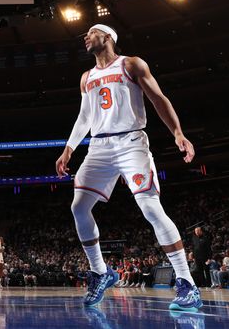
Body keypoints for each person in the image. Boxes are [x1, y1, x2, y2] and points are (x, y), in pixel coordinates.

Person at [55, 24, 202, 311]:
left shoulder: (131, 64)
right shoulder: (87, 77)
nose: (86, 37)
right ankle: (100, 271)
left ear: (108, 37)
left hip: (130, 142)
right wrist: (69, 148)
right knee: (79, 207)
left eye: (91, 32)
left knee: (150, 208)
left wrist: (178, 133)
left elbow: (158, 99)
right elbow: (84, 117)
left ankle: (187, 282)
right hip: (98, 147)